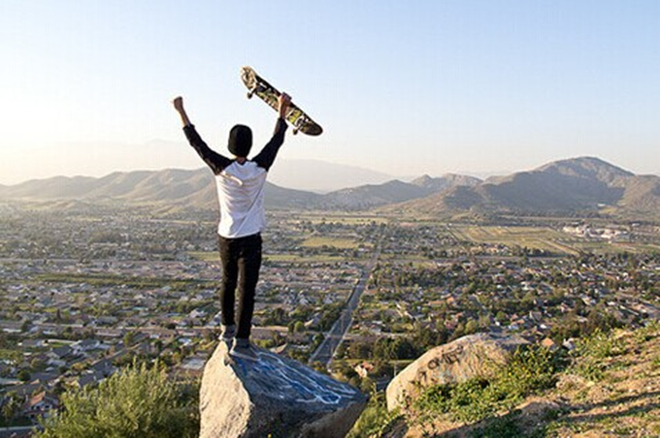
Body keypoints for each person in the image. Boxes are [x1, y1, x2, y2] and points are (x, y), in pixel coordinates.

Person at [172, 93, 291, 360]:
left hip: (226, 236)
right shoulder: (260, 167)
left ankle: (226, 330)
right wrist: (282, 109)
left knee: (227, 282)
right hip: (250, 238)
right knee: (247, 290)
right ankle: (243, 342)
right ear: (249, 146)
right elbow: (276, 141)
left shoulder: (221, 168)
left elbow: (197, 143)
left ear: (230, 145)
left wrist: (181, 111)